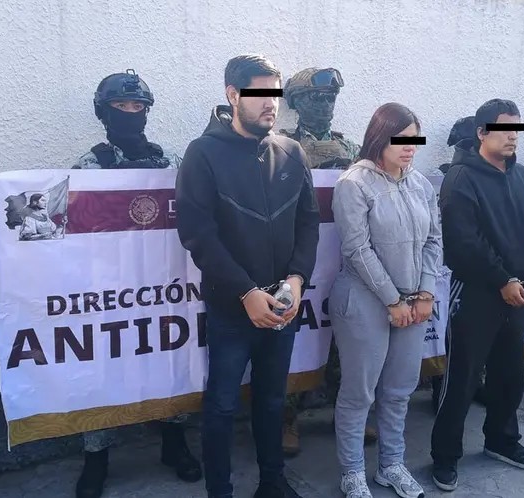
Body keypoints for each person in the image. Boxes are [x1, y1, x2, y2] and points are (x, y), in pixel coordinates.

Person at [176, 54, 320, 498]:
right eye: (259, 94)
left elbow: (308, 222)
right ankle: (219, 490)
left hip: (283, 307)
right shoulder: (203, 153)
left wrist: (297, 280)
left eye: (275, 94)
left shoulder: (292, 152)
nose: (270, 103)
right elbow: (198, 235)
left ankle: (272, 482)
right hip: (231, 308)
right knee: (221, 405)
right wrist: (245, 293)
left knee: (273, 400)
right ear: (232, 94)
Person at [72, 70, 202, 498]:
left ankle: (173, 442)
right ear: (103, 112)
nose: (131, 113)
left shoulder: (169, 162)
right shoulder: (89, 166)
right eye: (120, 106)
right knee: (102, 367)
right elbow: (75, 234)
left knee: (169, 358)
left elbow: (194, 211)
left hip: (164, 283)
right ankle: (96, 458)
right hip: (110, 289)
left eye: (137, 106)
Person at [431, 99, 524, 492]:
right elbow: (463, 242)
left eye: (517, 130)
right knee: (462, 379)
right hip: (477, 294)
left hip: (519, 296)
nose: (512, 137)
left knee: (509, 374)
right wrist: (502, 279)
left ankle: (502, 440)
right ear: (482, 133)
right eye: (504, 130)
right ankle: (445, 456)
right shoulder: (461, 178)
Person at [329, 102, 442, 498]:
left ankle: (392, 465)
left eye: (415, 138)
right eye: (401, 138)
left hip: (413, 301)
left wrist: (425, 293)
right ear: (379, 137)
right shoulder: (354, 183)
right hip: (364, 300)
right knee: (359, 392)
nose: (410, 147)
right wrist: (393, 300)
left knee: (399, 389)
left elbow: (433, 241)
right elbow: (357, 249)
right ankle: (352, 473)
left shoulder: (421, 184)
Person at [279, 66, 376, 457]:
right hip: (297, 255)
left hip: (343, 253)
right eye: (316, 98)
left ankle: (345, 411)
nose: (325, 105)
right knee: (294, 334)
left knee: (343, 336)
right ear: (297, 103)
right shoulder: (281, 145)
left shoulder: (350, 147)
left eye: (330, 98)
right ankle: (285, 416)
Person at [433, 115, 487, 413]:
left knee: (476, 338)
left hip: (483, 269)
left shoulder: (495, 175)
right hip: (453, 271)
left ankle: (474, 385)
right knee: (451, 336)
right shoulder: (451, 178)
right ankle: (444, 392)